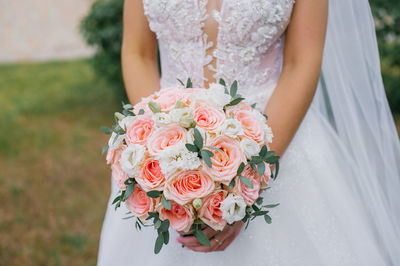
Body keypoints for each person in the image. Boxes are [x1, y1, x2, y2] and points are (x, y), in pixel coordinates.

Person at [97, 0, 400, 265]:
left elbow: (301, 62)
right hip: (164, 147)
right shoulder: (160, 151)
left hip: (277, 138)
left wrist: (247, 182)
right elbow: (138, 53)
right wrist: (158, 148)